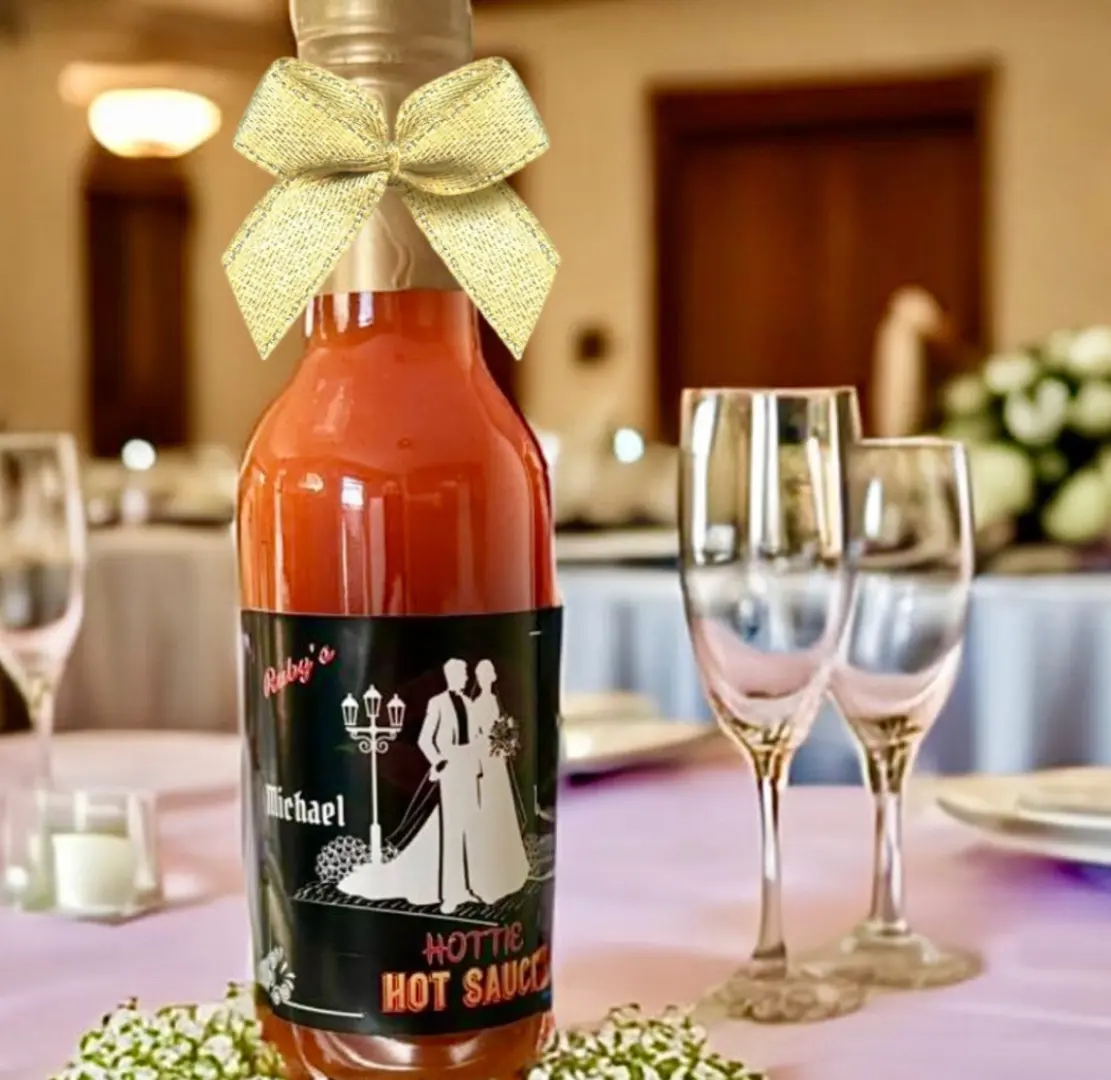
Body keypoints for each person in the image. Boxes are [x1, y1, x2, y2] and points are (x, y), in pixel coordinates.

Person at [468, 660, 530, 903]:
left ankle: (505, 874)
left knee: (500, 814)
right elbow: (475, 734)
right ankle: (483, 881)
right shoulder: (478, 704)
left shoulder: (493, 700)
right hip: (486, 763)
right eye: (484, 674)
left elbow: (498, 727)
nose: (488, 678)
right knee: (485, 817)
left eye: (489, 674)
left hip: (497, 763)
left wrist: (505, 743)